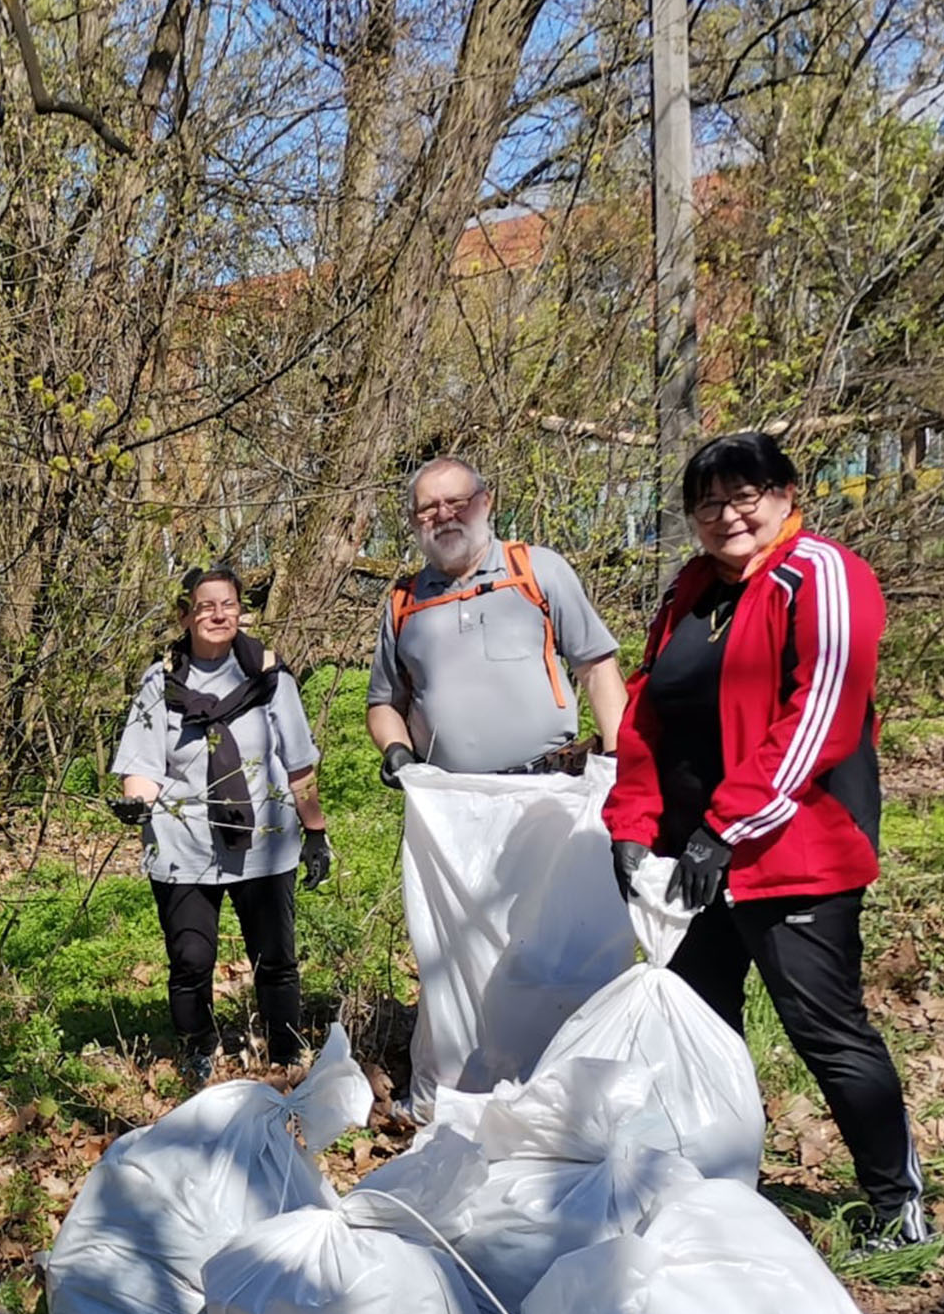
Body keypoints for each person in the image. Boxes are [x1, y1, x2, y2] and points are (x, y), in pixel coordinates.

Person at [603, 430, 930, 1252]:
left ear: (785, 494)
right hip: (691, 863)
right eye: (706, 504)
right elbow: (648, 715)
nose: (725, 516)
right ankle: (717, 1197)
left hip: (793, 855)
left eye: (743, 496)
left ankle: (896, 1206)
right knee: (702, 1031)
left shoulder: (820, 575)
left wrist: (728, 825)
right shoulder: (686, 591)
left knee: (825, 1029)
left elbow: (818, 713)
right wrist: (632, 825)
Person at [109, 567, 331, 1090]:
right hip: (183, 844)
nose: (217, 614)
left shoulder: (270, 677)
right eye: (204, 606)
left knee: (274, 958)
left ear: (240, 611)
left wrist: (315, 831)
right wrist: (135, 803)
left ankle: (286, 1052)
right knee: (190, 959)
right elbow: (142, 765)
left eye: (227, 604)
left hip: (264, 842)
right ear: (185, 616)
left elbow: (298, 762)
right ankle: (197, 1053)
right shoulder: (160, 682)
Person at [365, 454, 629, 780]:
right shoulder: (404, 603)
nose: (444, 515)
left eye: (457, 502)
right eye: (428, 508)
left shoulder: (538, 571)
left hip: (547, 790)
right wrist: (396, 749)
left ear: (486, 503)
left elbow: (598, 670)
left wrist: (620, 763)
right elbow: (384, 704)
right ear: (412, 520)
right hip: (446, 800)